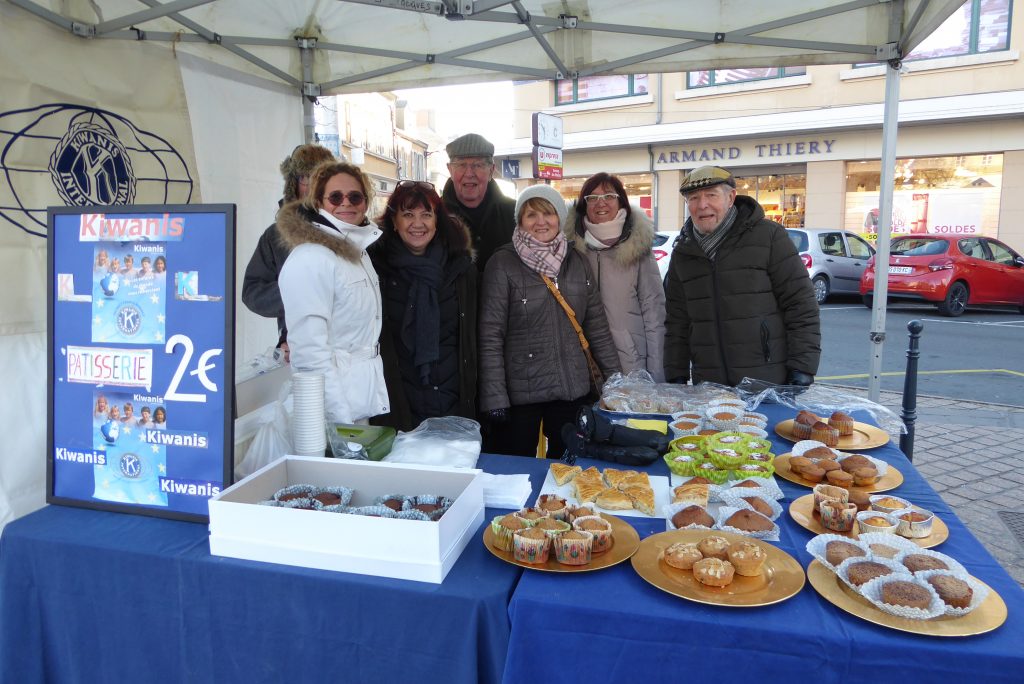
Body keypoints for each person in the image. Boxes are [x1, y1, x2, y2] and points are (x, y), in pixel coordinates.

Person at [479, 184, 620, 457]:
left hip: (571, 389)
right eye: (531, 215)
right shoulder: (502, 264)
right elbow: (490, 336)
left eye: (548, 214)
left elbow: (597, 328)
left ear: (560, 218)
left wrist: (616, 384)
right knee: (518, 471)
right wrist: (495, 397)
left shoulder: (576, 261)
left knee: (566, 469)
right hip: (521, 393)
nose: (541, 222)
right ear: (520, 220)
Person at [664, 166, 820, 387]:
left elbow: (800, 305)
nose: (702, 205)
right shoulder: (683, 252)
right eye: (693, 198)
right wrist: (675, 372)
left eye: (711, 195)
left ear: (731, 198)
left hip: (767, 380)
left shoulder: (769, 237)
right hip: (709, 385)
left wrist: (803, 367)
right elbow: (676, 321)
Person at [276, 161, 390, 425]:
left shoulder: (357, 253)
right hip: (330, 411)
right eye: (335, 197)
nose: (346, 203)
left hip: (358, 402)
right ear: (319, 202)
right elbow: (308, 352)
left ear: (365, 202)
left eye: (355, 196)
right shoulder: (311, 258)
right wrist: (339, 419)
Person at [368, 180, 477, 431]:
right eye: (408, 215)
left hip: (454, 400)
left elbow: (474, 337)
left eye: (426, 214)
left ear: (437, 221)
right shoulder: (375, 270)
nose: (418, 224)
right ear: (394, 222)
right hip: (399, 401)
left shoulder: (461, 269)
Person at [566, 172, 666, 381]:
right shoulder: (571, 250)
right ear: (584, 205)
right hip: (583, 361)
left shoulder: (638, 248)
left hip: (632, 362)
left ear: (621, 201)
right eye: (592, 198)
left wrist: (656, 375)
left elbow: (654, 313)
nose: (600, 203)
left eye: (609, 196)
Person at [242, 144, 336, 357]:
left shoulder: (351, 230)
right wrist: (296, 294)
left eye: (321, 177)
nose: (313, 185)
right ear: (293, 184)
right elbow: (252, 292)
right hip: (299, 349)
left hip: (350, 349)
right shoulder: (275, 236)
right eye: (306, 177)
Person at [440, 133, 516, 271]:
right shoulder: (433, 215)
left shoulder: (515, 214)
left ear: (491, 171)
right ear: (450, 170)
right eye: (461, 165)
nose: (469, 173)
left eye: (478, 165)